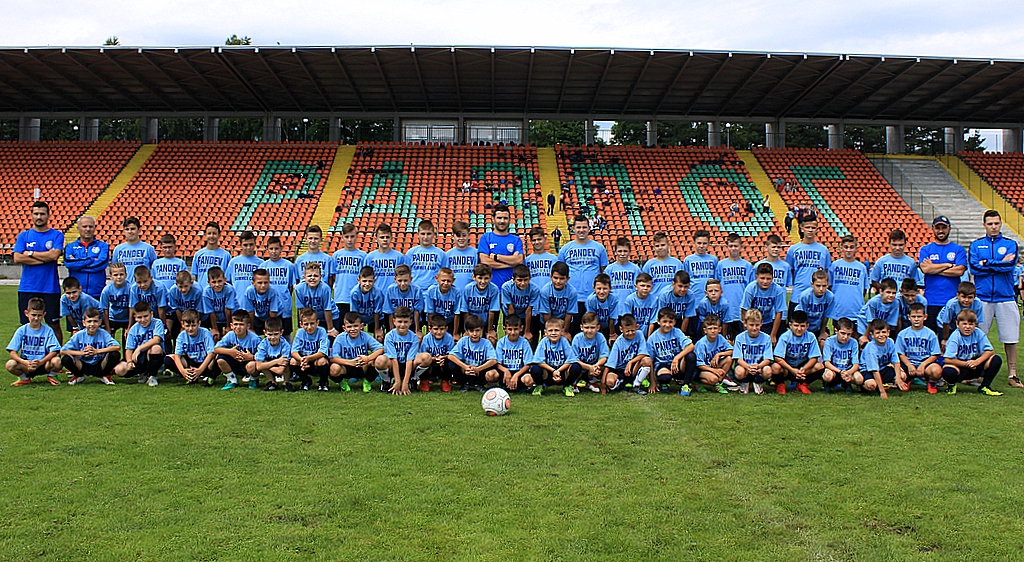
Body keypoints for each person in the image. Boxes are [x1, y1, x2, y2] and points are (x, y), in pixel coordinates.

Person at [968, 210, 1019, 387]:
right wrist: (998, 263)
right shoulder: (976, 245)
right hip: (982, 297)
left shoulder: (1010, 244)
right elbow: (974, 268)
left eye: (996, 223)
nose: (994, 227)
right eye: (990, 224)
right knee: (977, 336)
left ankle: (1012, 374)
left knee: (1010, 338)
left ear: (1000, 224)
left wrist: (986, 263)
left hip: (1006, 297)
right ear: (984, 225)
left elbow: (1009, 266)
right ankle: (976, 373)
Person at [13, 201, 64, 341]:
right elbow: (17, 257)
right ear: (31, 215)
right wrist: (44, 259)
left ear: (48, 215)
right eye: (36, 214)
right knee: (27, 325)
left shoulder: (56, 235)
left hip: (50, 288)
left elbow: (54, 255)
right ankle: (28, 353)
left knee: (54, 324)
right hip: (27, 287)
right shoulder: (24, 236)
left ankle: (56, 353)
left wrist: (30, 253)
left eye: (42, 214)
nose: (39, 217)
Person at [558, 214, 608, 333]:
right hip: (572, 298)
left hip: (593, 298)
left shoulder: (599, 248)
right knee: (573, 333)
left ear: (589, 228)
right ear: (573, 228)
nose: (581, 230)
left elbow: (603, 272)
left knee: (593, 332)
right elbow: (560, 272)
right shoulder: (565, 249)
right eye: (579, 227)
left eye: (584, 227)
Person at [918, 216, 968, 333]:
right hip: (931, 300)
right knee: (930, 336)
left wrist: (934, 268)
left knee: (949, 336)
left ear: (949, 228)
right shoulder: (926, 249)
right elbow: (925, 269)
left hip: (952, 301)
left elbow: (959, 271)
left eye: (944, 228)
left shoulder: (958, 249)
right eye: (938, 228)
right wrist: (948, 265)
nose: (941, 231)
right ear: (933, 228)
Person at [942, 309, 1004, 396]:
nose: (968, 327)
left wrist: (977, 362)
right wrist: (966, 364)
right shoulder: (955, 337)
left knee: (996, 359)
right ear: (957, 324)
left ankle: (985, 386)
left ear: (976, 325)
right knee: (948, 370)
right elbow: (947, 359)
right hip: (960, 365)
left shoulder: (978, 333)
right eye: (964, 324)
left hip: (975, 364)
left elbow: (990, 351)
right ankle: (951, 385)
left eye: (971, 324)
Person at [6, 297, 62, 386]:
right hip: (26, 364)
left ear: (44, 314)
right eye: (33, 315)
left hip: (43, 363)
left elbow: (54, 351)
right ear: (26, 313)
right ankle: (24, 378)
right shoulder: (21, 330)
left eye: (39, 315)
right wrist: (24, 362)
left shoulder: (48, 330)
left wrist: (41, 362)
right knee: (10, 364)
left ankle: (52, 376)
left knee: (57, 361)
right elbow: (12, 352)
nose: (36, 318)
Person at [60, 307, 121, 386]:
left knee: (115, 354)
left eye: (95, 321)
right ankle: (78, 375)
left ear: (100, 322)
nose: (92, 324)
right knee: (66, 359)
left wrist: (97, 351)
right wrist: (81, 353)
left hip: (100, 364)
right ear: (84, 323)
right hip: (82, 364)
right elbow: (63, 351)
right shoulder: (79, 335)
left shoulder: (103, 333)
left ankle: (105, 375)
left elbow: (117, 347)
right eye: (89, 321)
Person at [786, 215, 831, 318]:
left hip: (817, 298)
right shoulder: (793, 249)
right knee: (795, 325)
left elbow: (826, 272)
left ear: (817, 229)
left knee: (816, 326)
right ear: (802, 228)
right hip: (798, 295)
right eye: (807, 227)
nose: (810, 230)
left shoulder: (823, 250)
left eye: (813, 227)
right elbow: (791, 271)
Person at [329, 312, 386, 393]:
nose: (353, 329)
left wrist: (368, 358)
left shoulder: (365, 336)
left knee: (379, 360)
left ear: (361, 326)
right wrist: (350, 362)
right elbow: (332, 358)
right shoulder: (340, 338)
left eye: (355, 326)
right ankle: (342, 383)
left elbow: (381, 348)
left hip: (362, 365)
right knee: (334, 368)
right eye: (349, 327)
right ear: (344, 328)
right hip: (346, 366)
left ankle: (367, 381)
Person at [770, 310, 824, 394]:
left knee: (819, 366)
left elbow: (814, 357)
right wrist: (792, 370)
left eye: (802, 326)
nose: (799, 329)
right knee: (775, 367)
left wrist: (803, 369)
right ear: (790, 325)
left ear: (807, 326)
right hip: (787, 368)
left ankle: (803, 384)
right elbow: (778, 357)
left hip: (803, 368)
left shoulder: (811, 337)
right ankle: (780, 384)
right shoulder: (785, 337)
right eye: (796, 325)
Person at [113, 301, 166, 387]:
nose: (143, 320)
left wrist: (139, 349)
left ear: (151, 314)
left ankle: (152, 376)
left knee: (156, 348)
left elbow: (157, 340)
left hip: (152, 355)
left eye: (145, 316)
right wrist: (129, 362)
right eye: (139, 317)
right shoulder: (133, 329)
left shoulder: (157, 323)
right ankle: (143, 372)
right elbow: (129, 349)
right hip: (139, 358)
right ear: (135, 317)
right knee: (119, 369)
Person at [646, 308, 697, 395]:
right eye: (664, 321)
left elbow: (691, 346)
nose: (667, 325)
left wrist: (677, 358)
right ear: (658, 321)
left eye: (670, 322)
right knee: (664, 377)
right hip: (662, 364)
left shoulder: (677, 332)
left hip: (677, 364)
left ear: (675, 322)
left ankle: (686, 384)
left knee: (691, 356)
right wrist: (652, 382)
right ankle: (664, 383)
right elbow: (649, 361)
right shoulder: (652, 338)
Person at [894, 303, 943, 394]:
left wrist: (923, 365)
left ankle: (931, 382)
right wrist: (909, 365)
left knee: (936, 371)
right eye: (913, 316)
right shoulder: (902, 334)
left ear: (925, 317)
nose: (916, 319)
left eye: (919, 316)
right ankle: (907, 379)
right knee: (898, 372)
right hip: (908, 363)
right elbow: (900, 353)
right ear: (909, 317)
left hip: (925, 362)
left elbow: (935, 354)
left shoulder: (930, 334)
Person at [447, 314, 499, 393]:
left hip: (479, 370)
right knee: (451, 364)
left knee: (490, 365)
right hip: (466, 370)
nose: (474, 334)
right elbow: (450, 356)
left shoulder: (486, 342)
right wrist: (465, 367)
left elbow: (494, 360)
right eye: (471, 331)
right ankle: (464, 383)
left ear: (482, 330)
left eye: (477, 330)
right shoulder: (463, 340)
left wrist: (478, 369)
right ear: (467, 331)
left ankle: (479, 384)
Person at [258, 235, 298, 336]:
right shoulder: (263, 266)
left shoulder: (288, 265)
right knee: (270, 333)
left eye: (276, 248)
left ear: (281, 249)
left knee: (285, 334)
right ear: (267, 249)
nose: (274, 251)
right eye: (271, 249)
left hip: (284, 305)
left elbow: (290, 286)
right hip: (268, 306)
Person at [478, 204, 525, 289]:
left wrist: (496, 257)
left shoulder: (516, 240)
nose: (502, 221)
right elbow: (485, 262)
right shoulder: (486, 238)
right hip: (491, 289)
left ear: (509, 220)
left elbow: (519, 260)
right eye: (499, 218)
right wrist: (510, 263)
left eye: (505, 218)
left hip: (511, 289)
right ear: (493, 219)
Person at [602, 314, 650, 394]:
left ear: (637, 327)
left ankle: (636, 385)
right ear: (621, 329)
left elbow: (643, 353)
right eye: (627, 331)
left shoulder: (639, 334)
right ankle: (621, 383)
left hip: (633, 368)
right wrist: (603, 383)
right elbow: (609, 364)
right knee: (610, 382)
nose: (630, 333)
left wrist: (630, 362)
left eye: (633, 330)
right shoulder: (618, 343)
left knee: (647, 360)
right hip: (620, 370)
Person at [63, 215, 108, 300]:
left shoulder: (103, 246)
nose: (88, 229)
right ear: (78, 228)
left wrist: (78, 266)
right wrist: (91, 259)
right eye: (84, 226)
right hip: (76, 294)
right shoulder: (70, 247)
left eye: (90, 226)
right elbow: (69, 264)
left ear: (94, 228)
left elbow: (101, 265)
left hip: (97, 292)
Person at [213, 311, 261, 390]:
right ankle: (232, 379)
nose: (238, 327)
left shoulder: (255, 339)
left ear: (248, 326)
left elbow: (264, 355)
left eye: (241, 324)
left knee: (252, 365)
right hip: (235, 362)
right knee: (220, 359)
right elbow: (215, 349)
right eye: (235, 324)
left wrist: (251, 357)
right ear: (231, 326)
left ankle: (254, 379)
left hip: (248, 363)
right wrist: (230, 352)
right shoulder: (230, 335)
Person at [828, 235, 869, 327]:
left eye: (851, 247)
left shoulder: (861, 267)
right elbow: (830, 286)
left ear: (856, 249)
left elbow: (864, 289)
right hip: (839, 311)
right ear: (841, 248)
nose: (849, 250)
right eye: (846, 247)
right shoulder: (835, 265)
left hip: (856, 311)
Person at [168, 309, 217, 385]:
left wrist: (200, 370)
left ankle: (209, 376)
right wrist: (183, 371)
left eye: (193, 325)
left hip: (205, 362)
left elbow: (211, 353)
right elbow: (177, 355)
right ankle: (190, 376)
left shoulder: (205, 332)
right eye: (187, 326)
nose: (190, 329)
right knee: (168, 359)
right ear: (182, 324)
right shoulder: (181, 336)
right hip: (191, 362)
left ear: (199, 323)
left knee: (216, 357)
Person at [860, 319, 906, 398]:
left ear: (888, 332)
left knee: (903, 376)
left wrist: (898, 378)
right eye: (878, 333)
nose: (881, 335)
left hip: (883, 368)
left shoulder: (890, 342)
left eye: (884, 332)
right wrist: (882, 392)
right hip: (868, 370)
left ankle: (885, 383)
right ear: (872, 335)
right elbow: (875, 371)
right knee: (871, 385)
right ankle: (863, 386)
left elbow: (896, 361)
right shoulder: (871, 348)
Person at [741, 262, 787, 343]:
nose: (765, 281)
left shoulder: (777, 290)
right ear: (756, 277)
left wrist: (773, 335)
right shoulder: (751, 289)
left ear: (772, 278)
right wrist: (746, 328)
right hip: (752, 322)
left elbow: (779, 312)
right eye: (762, 278)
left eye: (768, 279)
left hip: (767, 322)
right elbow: (744, 309)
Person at [731, 309, 773, 395]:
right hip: (745, 367)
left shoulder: (766, 338)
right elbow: (738, 359)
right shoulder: (739, 338)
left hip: (759, 367)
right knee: (739, 371)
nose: (754, 328)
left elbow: (768, 359)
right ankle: (744, 383)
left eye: (757, 325)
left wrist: (758, 366)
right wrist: (748, 367)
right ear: (745, 324)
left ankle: (758, 382)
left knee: (768, 370)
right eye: (751, 325)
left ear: (761, 323)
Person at [411, 314, 457, 392]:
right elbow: (422, 355)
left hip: (443, 361)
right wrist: (434, 359)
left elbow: (452, 353)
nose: (439, 332)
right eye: (436, 329)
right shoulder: (426, 338)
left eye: (442, 329)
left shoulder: (449, 337)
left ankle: (445, 380)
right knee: (423, 362)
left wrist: (443, 358)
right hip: (431, 362)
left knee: (452, 363)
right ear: (430, 329)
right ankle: (424, 380)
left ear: (446, 328)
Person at [289, 308, 330, 392]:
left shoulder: (321, 331)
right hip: (304, 359)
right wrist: (301, 360)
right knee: (293, 361)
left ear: (317, 322)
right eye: (306, 324)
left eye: (312, 323)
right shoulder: (300, 332)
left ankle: (323, 382)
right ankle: (305, 381)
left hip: (316, 358)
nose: (309, 327)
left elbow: (323, 352)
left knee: (322, 361)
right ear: (301, 324)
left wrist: (308, 358)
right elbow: (293, 351)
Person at [332, 223, 367, 318]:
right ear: (342, 237)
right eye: (347, 237)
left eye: (352, 236)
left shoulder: (363, 256)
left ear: (356, 237)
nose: (349, 239)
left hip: (357, 298)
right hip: (340, 297)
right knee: (340, 325)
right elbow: (334, 276)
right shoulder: (336, 255)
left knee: (356, 325)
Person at [459, 263, 501, 344]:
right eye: (480, 278)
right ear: (473, 277)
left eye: (486, 278)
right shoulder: (468, 289)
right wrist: (467, 329)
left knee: (491, 340)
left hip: (486, 321)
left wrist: (489, 330)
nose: (483, 281)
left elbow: (492, 311)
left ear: (491, 277)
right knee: (466, 340)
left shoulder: (494, 289)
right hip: (471, 321)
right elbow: (465, 311)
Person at [936, 281, 985, 348]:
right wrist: (945, 339)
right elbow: (946, 322)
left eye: (970, 297)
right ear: (958, 295)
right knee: (947, 345)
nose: (966, 300)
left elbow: (976, 322)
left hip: (964, 324)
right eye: (963, 297)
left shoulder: (978, 303)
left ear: (975, 296)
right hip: (945, 325)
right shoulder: (952, 304)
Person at [112, 216, 156, 287]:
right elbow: (114, 269)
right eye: (127, 229)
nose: (130, 232)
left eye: (132, 229)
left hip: (142, 287)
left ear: (139, 230)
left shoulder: (148, 249)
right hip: (124, 288)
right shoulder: (118, 249)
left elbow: (154, 269)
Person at [406, 219, 448, 292]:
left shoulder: (441, 254)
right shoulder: (411, 253)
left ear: (433, 235)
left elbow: (445, 275)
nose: (425, 237)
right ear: (418, 234)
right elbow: (406, 274)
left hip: (434, 292)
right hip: (414, 292)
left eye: (429, 234)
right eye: (423, 234)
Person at [364, 223, 407, 291]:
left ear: (391, 238)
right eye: (382, 237)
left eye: (387, 237)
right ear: (376, 238)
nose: (385, 240)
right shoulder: (370, 258)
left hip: (394, 294)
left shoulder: (399, 257)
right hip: (376, 295)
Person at [191, 221, 232, 292]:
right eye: (209, 233)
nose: (211, 236)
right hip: (202, 293)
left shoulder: (226, 255)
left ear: (219, 235)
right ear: (205, 235)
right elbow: (196, 277)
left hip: (219, 294)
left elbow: (227, 278)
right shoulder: (198, 254)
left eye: (214, 233)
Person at [501, 265, 539, 342]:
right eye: (519, 280)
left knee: (530, 338)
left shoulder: (534, 289)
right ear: (513, 279)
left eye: (525, 280)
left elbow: (529, 310)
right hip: (511, 313)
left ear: (530, 278)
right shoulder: (506, 287)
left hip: (526, 315)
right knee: (512, 337)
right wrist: (512, 328)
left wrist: (527, 331)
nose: (523, 283)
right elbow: (510, 308)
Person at [821, 318, 859, 393]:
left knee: (859, 379)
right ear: (836, 331)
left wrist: (848, 372)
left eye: (849, 334)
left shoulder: (854, 342)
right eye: (843, 333)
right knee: (828, 375)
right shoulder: (829, 341)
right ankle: (827, 384)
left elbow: (856, 364)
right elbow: (827, 363)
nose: (845, 337)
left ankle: (847, 384)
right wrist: (840, 371)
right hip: (834, 369)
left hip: (847, 370)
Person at [857, 278, 900, 345]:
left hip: (879, 326)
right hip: (865, 325)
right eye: (888, 292)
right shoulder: (874, 301)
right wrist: (865, 336)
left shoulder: (895, 303)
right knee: (865, 343)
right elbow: (870, 321)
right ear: (881, 291)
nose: (891, 295)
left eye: (894, 293)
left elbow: (890, 322)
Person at [239, 269, 281, 335]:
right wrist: (251, 328)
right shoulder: (249, 292)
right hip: (257, 315)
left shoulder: (273, 292)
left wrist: (271, 329)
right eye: (260, 283)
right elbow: (250, 311)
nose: (263, 285)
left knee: (273, 332)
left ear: (269, 282)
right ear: (253, 283)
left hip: (272, 315)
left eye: (265, 282)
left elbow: (273, 312)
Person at [256, 317, 291, 391]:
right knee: (262, 363)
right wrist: (276, 361)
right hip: (274, 363)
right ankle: (272, 382)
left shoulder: (285, 345)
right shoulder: (263, 345)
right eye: (270, 334)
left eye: (276, 334)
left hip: (281, 367)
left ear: (281, 332)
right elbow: (258, 367)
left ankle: (286, 383)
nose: (273, 337)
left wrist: (265, 365)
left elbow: (280, 370)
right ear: (265, 333)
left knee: (287, 365)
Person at [643, 231, 684, 295]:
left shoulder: (677, 263)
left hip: (672, 299)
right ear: (654, 247)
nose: (660, 248)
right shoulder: (649, 265)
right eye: (657, 246)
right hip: (654, 299)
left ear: (668, 245)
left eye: (663, 245)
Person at [100, 262, 131, 346]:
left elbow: (132, 308)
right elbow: (105, 309)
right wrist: (108, 328)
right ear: (110, 276)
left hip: (127, 318)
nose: (119, 277)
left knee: (128, 341)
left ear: (126, 275)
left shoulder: (130, 288)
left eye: (121, 274)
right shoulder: (106, 290)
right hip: (113, 318)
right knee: (109, 342)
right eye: (115, 275)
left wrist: (129, 326)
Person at [202, 267, 237, 341]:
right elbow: (211, 312)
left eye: (220, 281)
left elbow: (228, 309)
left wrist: (228, 326)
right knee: (215, 336)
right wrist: (215, 329)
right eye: (214, 282)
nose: (217, 284)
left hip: (230, 316)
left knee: (230, 335)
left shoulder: (229, 289)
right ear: (209, 282)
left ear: (225, 280)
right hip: (216, 317)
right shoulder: (206, 292)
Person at [425, 267, 461, 336]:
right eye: (443, 280)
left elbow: (457, 313)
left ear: (453, 280)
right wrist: (430, 329)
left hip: (450, 321)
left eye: (449, 281)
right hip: (436, 321)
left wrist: (455, 333)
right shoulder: (431, 291)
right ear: (437, 279)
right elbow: (430, 312)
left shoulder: (456, 292)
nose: (446, 283)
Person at [683, 230, 718, 301]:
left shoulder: (714, 259)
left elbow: (716, 280)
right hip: (693, 298)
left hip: (710, 299)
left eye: (704, 243)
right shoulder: (688, 260)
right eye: (699, 243)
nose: (701, 246)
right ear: (694, 243)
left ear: (708, 243)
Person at [605, 237, 642, 302]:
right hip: (614, 305)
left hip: (630, 304)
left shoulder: (636, 269)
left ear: (629, 252)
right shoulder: (609, 269)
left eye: (625, 251)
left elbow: (639, 289)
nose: (622, 254)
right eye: (620, 251)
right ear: (615, 252)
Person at [446, 221, 478, 291]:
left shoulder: (476, 253)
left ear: (468, 235)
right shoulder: (447, 255)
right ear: (453, 236)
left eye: (464, 235)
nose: (461, 238)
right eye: (458, 235)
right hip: (453, 293)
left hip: (471, 293)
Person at [585, 273, 618, 341]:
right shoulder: (591, 300)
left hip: (610, 325)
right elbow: (591, 318)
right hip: (596, 325)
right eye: (599, 288)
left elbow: (612, 318)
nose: (602, 292)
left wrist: (612, 334)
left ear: (610, 288)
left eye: (605, 288)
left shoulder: (613, 299)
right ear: (594, 288)